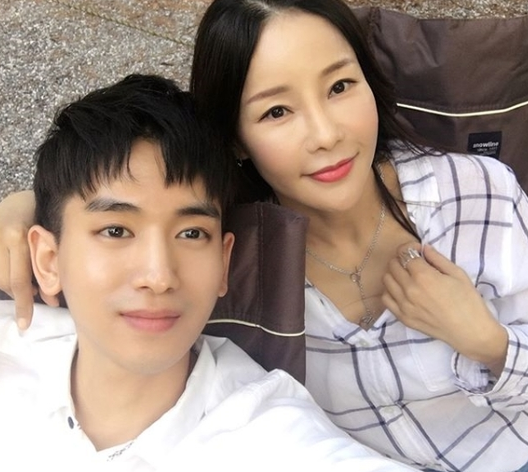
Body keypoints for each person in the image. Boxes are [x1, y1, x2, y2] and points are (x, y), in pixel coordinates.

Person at [0, 1, 527, 471]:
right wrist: (24, 206)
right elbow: (126, 198)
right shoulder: (230, 246)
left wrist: (489, 343)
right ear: (235, 139)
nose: (326, 134)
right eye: (277, 111)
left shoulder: (477, 194)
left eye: (340, 87)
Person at [0, 73, 418, 471]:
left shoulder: (267, 436)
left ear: (223, 262)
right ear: (48, 260)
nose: (159, 276)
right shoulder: (13, 354)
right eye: (116, 231)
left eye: (191, 233)